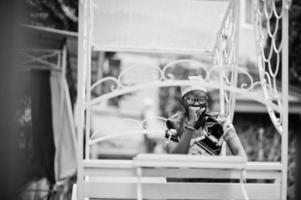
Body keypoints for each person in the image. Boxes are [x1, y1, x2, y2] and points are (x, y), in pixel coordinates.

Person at [165, 84, 246, 157]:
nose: (196, 103)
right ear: (182, 102)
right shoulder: (173, 122)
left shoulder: (220, 120)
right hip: (184, 173)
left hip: (212, 172)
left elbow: (238, 151)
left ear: (206, 102)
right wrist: (190, 125)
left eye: (201, 99)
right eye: (190, 99)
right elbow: (174, 156)